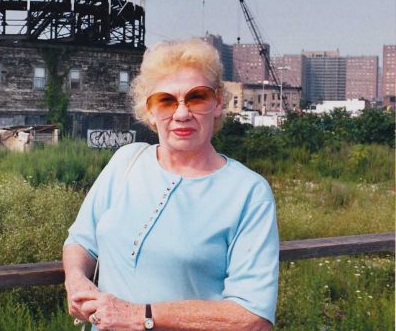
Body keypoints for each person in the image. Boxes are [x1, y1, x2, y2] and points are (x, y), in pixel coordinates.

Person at [63, 39, 279, 330]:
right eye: (165, 100)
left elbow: (253, 317)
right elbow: (81, 240)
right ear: (149, 111)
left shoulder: (248, 193)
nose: (181, 114)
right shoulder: (125, 161)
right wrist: (75, 279)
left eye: (197, 97)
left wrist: (140, 316)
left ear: (217, 104)